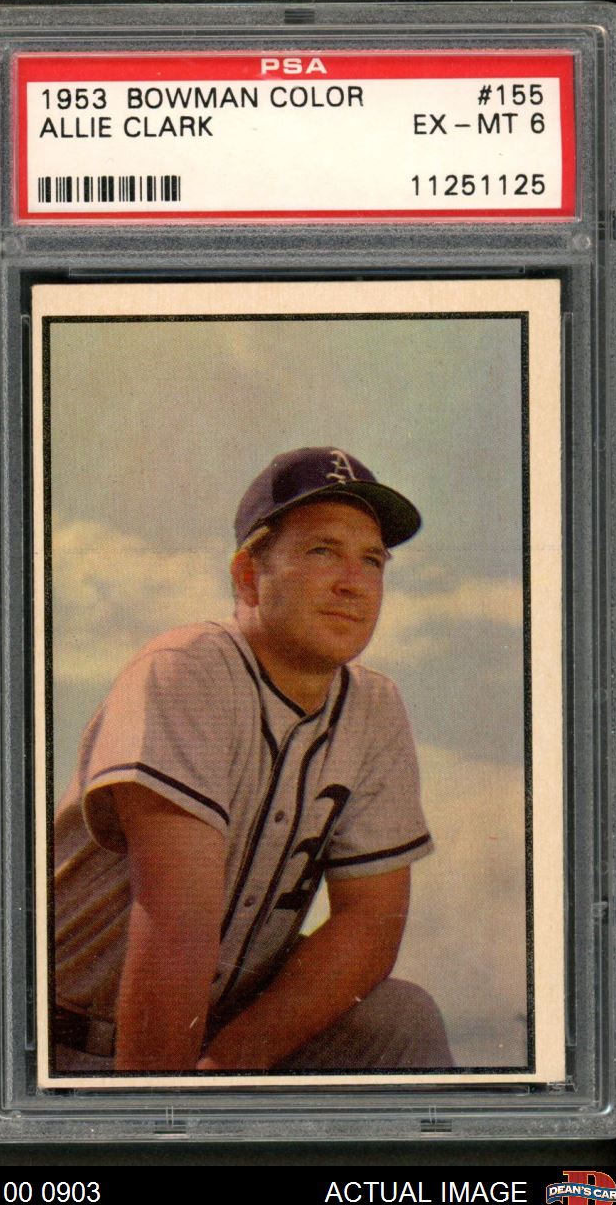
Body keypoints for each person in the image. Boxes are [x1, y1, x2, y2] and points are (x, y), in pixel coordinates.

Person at [53, 447, 453, 1074]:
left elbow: (371, 923)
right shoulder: (185, 672)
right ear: (247, 576)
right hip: (68, 1044)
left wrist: (232, 1064)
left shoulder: (374, 706)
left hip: (220, 1031)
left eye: (372, 560)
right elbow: (176, 927)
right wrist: (165, 1114)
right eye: (322, 551)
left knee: (401, 1021)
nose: (352, 582)